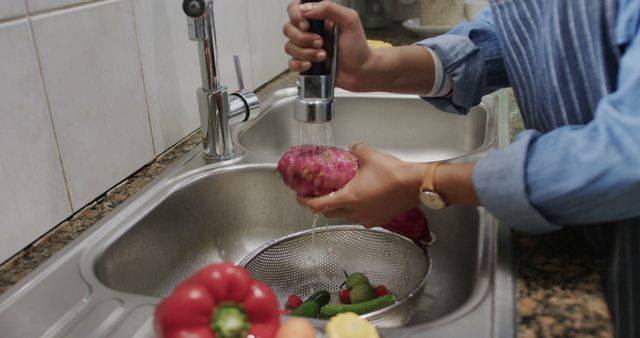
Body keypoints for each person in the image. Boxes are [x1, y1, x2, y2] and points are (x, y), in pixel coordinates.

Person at [283, 0, 640, 337]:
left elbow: (627, 152)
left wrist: (424, 181)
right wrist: (372, 68)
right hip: (591, 236)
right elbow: (517, 33)